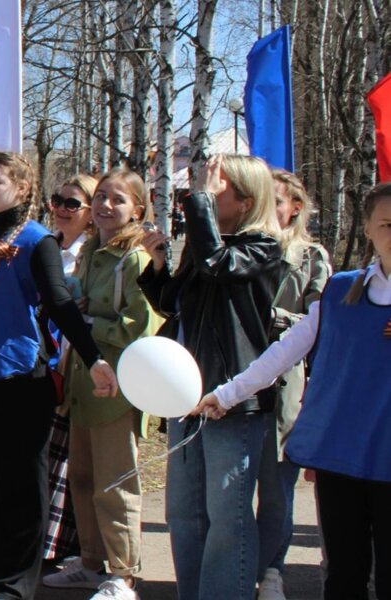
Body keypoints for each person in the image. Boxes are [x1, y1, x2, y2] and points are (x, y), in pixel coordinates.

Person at [0, 151, 118, 600]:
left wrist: (94, 359)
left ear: (23, 188)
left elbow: (60, 303)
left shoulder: (37, 241)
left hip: (20, 378)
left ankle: (14, 585)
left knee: (23, 487)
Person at [193, 181, 391, 600]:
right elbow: (284, 351)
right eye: (387, 224)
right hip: (343, 457)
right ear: (370, 231)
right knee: (344, 571)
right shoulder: (341, 291)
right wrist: (227, 394)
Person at [137, 154, 282, 600]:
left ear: (246, 199)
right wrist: (159, 265)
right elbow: (173, 304)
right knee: (184, 512)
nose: (202, 197)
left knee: (228, 515)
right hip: (187, 396)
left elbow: (221, 267)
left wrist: (196, 203)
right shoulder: (209, 244)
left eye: (215, 190)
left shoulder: (261, 247)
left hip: (231, 398)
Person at [42, 169, 163, 599]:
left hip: (117, 385)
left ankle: (124, 574)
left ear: (137, 209)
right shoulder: (93, 249)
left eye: (118, 199)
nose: (105, 206)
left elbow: (141, 325)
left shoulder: (135, 257)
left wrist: (86, 321)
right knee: (83, 478)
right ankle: (92, 562)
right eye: (101, 198)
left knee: (116, 483)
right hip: (83, 381)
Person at [252, 169, 331, 600]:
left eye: (275, 201)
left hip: (285, 387)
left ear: (294, 207)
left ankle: (272, 572)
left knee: (278, 489)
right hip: (236, 384)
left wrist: (275, 320)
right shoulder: (244, 249)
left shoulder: (311, 257)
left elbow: (323, 323)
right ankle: (241, 568)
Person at [42, 173, 97, 564]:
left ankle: (72, 547)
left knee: (70, 460)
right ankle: (46, 541)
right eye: (57, 200)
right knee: (47, 454)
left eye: (72, 204)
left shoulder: (90, 255)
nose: (61, 209)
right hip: (42, 358)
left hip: (73, 360)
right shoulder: (47, 246)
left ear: (90, 212)